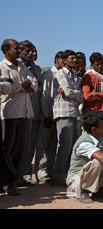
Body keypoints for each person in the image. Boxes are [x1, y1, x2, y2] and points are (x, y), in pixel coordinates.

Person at [0, 39, 38, 195]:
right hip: (9, 113)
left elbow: (35, 84)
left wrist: (20, 86)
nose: (18, 51)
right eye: (16, 48)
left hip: (23, 112)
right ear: (6, 50)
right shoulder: (2, 67)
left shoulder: (22, 66)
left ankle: (11, 180)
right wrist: (22, 85)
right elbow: (4, 87)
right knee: (7, 149)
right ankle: (7, 182)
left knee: (18, 149)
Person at [51, 49, 83, 186]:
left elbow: (76, 94)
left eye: (75, 58)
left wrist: (73, 93)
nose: (74, 60)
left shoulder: (75, 75)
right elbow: (70, 92)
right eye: (72, 58)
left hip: (73, 113)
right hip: (63, 112)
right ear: (64, 60)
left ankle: (67, 176)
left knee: (72, 147)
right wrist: (76, 93)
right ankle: (57, 177)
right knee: (64, 146)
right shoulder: (60, 73)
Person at [17, 40, 43, 186]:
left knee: (30, 147)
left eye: (33, 51)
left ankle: (25, 174)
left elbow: (36, 88)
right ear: (20, 52)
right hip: (16, 112)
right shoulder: (17, 67)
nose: (32, 53)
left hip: (33, 112)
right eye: (28, 51)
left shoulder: (37, 69)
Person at [36, 51, 64, 183]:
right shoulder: (49, 74)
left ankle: (51, 170)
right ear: (57, 59)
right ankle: (41, 172)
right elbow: (45, 96)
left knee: (53, 144)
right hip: (48, 115)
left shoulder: (63, 74)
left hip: (58, 115)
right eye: (63, 60)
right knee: (43, 145)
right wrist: (46, 115)